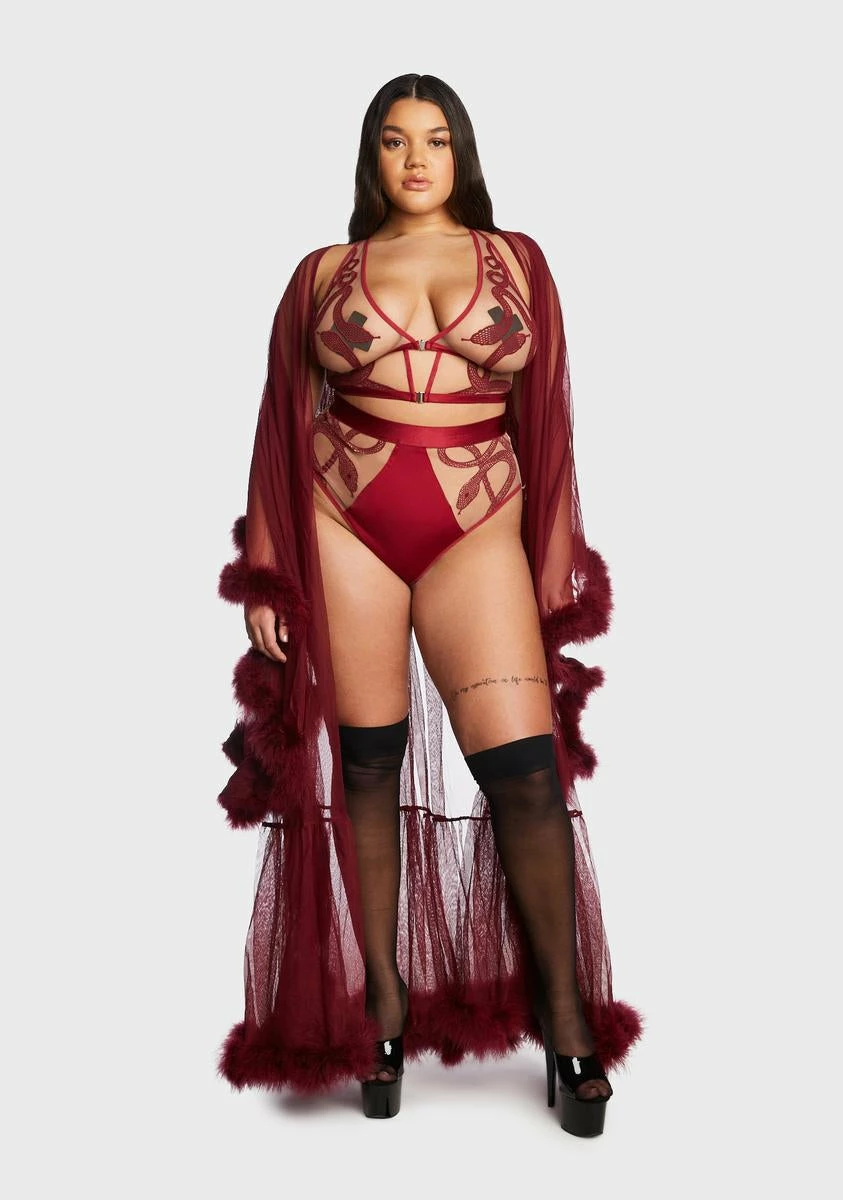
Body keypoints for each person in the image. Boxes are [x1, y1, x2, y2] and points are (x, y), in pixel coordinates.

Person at [216, 73, 643, 1136]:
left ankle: (566, 1020)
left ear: (463, 154)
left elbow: (550, 416)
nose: (416, 159)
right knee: (367, 764)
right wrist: (267, 565)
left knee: (526, 772)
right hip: (343, 521)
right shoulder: (323, 273)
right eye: (396, 140)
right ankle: (384, 1010)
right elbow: (281, 415)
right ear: (372, 156)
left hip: (477, 524)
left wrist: (554, 560)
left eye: (437, 139)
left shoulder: (518, 261)